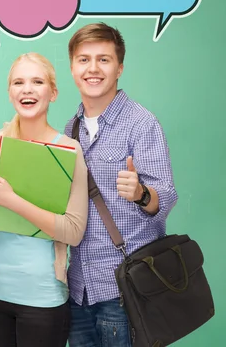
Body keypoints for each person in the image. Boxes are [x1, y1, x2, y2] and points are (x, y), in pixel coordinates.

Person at [0, 53, 88, 347]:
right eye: (18, 82)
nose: (27, 89)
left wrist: (12, 200)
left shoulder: (69, 150)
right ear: (9, 93)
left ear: (52, 93)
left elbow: (73, 231)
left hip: (43, 300)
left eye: (37, 81)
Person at [65, 23, 178, 347]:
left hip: (124, 290)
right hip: (79, 290)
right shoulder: (71, 128)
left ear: (119, 68)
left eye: (104, 59)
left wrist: (141, 193)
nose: (93, 68)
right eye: (84, 59)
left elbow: (165, 196)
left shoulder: (142, 123)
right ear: (73, 67)